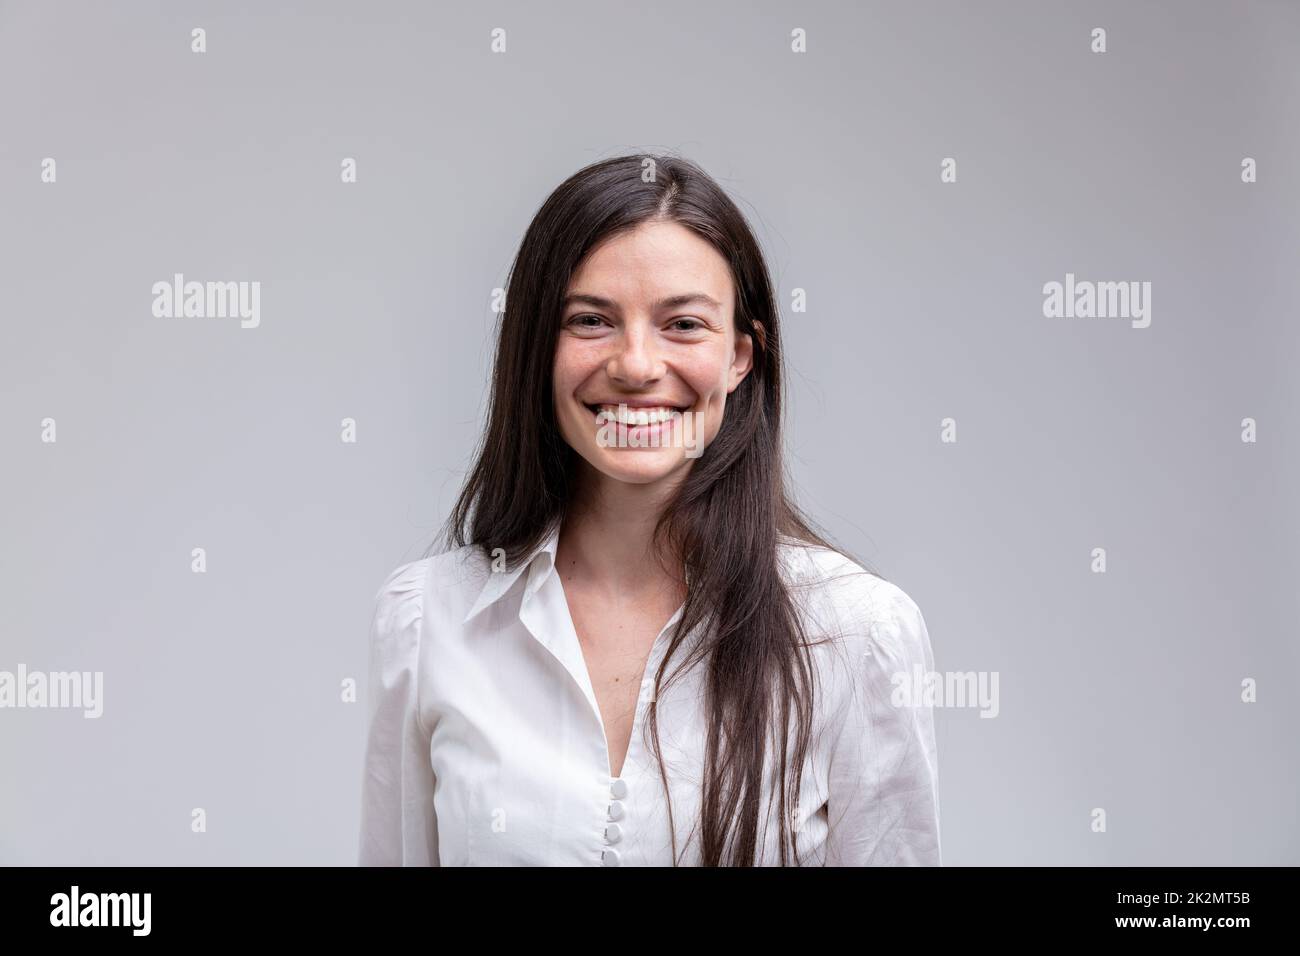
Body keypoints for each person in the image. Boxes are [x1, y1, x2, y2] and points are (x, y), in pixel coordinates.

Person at [358, 154, 940, 866]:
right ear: (537, 349)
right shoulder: (426, 620)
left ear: (740, 357)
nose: (635, 365)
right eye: (591, 320)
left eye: (684, 324)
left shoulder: (857, 632)